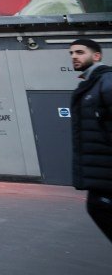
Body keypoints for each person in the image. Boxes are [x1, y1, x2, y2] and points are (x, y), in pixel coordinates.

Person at [69, 38, 112, 242]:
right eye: (71, 53)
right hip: (102, 173)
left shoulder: (106, 81)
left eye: (80, 52)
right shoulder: (92, 84)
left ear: (96, 56)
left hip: (107, 173)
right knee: (97, 208)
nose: (74, 57)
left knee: (98, 208)